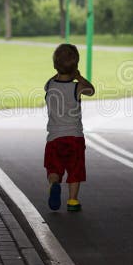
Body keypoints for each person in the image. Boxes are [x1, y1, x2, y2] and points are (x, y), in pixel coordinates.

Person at [43, 44, 95, 212]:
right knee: (75, 170)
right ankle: (72, 200)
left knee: (54, 169)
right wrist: (78, 77)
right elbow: (91, 90)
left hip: (54, 138)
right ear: (76, 66)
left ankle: (54, 185)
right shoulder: (76, 87)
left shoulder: (50, 85)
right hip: (74, 138)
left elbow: (50, 80)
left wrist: (60, 71)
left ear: (55, 65)